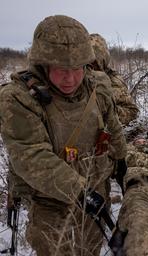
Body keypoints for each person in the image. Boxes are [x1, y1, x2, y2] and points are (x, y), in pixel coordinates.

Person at [0, 15, 127, 256]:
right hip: (50, 203)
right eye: (60, 70)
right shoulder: (18, 98)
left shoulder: (98, 85)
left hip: (96, 191)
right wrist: (80, 191)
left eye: (77, 69)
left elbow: (113, 126)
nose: (70, 79)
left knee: (89, 249)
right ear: (43, 64)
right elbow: (31, 156)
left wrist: (121, 161)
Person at [89, 33, 139, 126]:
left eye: (94, 63)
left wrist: (108, 111)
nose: (90, 67)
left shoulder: (113, 81)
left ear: (102, 59)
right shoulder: (74, 77)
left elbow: (132, 112)